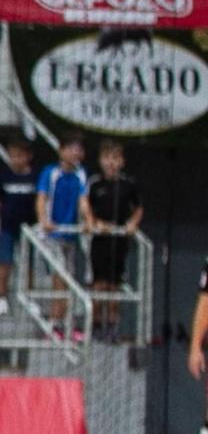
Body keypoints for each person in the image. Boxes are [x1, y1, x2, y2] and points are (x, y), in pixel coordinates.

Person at [84, 139, 142, 342]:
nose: (111, 162)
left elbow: (138, 208)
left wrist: (132, 224)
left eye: (115, 158)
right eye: (107, 158)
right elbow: (85, 206)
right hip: (100, 240)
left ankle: (113, 325)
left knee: (114, 285)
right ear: (101, 160)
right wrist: (93, 223)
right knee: (99, 285)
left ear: (122, 161)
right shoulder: (94, 183)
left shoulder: (128, 184)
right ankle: (97, 324)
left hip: (119, 241)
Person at [36, 134, 89, 337]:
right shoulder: (51, 173)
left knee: (69, 279)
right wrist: (44, 220)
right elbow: (41, 198)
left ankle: (66, 323)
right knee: (60, 278)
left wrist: (88, 222)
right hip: (52, 236)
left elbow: (83, 201)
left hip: (72, 237)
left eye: (78, 149)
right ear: (61, 151)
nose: (75, 153)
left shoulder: (81, 174)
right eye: (71, 148)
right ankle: (56, 322)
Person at [0, 139, 38, 316]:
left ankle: (29, 297)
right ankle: (1, 298)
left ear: (28, 156)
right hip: (7, 228)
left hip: (29, 231)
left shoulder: (34, 178)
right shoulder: (4, 177)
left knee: (29, 265)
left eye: (19, 155)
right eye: (12, 155)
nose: (16, 159)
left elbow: (40, 202)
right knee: (4, 264)